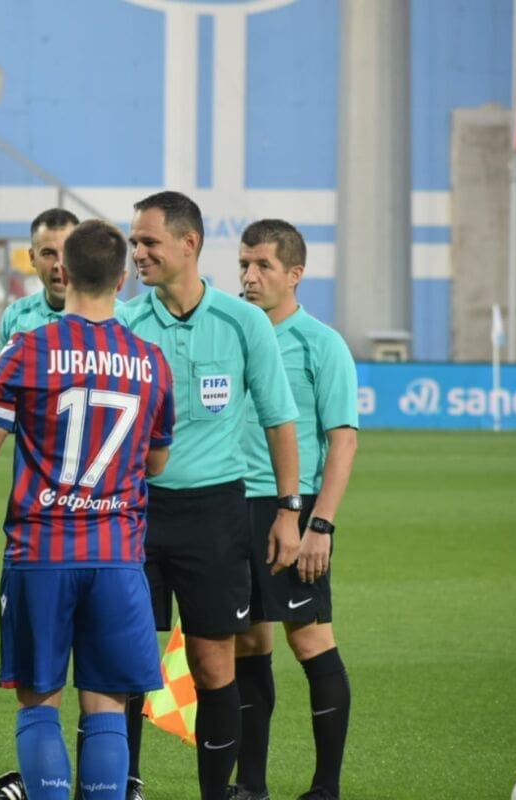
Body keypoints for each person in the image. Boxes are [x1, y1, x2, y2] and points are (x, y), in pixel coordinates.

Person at [0, 219, 175, 800]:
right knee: (106, 704)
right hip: (119, 557)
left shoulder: (27, 350)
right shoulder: (151, 362)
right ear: (123, 281)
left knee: (39, 697)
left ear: (62, 272)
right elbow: (157, 462)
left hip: (41, 551)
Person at [118, 191, 300, 800]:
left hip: (217, 513)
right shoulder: (125, 326)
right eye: (133, 242)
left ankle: (214, 796)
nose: (136, 253)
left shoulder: (242, 322)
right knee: (126, 664)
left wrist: (288, 511)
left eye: (148, 242)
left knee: (213, 664)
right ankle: (124, 787)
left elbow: (279, 421)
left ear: (188, 244)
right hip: (136, 512)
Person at [229, 220, 358, 800]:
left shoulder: (321, 343)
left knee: (310, 641)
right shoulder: (231, 332)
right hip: (229, 506)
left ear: (295, 274)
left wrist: (319, 524)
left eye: (262, 266)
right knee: (248, 645)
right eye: (244, 265)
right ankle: (251, 787)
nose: (249, 277)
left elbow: (343, 439)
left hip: (291, 511)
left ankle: (325, 788)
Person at [0, 208, 81, 352]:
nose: (58, 264)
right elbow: (1, 374)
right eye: (48, 254)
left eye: (68, 252)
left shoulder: (114, 316)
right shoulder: (14, 316)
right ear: (32, 257)